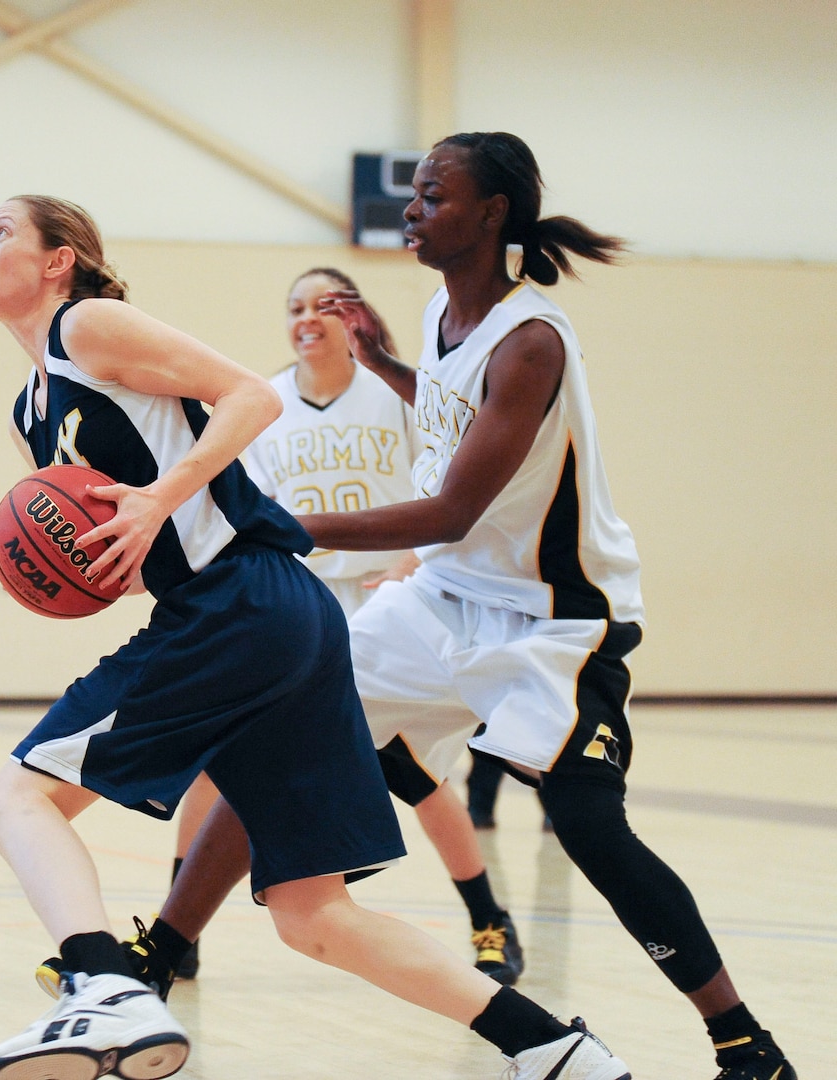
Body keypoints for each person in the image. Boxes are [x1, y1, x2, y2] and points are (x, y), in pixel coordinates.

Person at [140, 133, 796, 1080]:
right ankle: (156, 956)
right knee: (275, 732)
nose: (412, 209)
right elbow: (456, 411)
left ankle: (744, 1040)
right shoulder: (446, 310)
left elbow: (452, 508)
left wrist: (288, 524)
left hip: (553, 618)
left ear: (492, 214)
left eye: (433, 194)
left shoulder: (533, 339)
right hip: (445, 601)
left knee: (589, 824)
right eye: (412, 194)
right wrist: (393, 366)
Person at [0, 194, 629, 1080]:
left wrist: (164, 496)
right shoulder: (30, 409)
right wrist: (107, 557)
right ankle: (555, 1049)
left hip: (236, 604)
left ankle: (105, 991)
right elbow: (114, 541)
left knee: (17, 800)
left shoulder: (88, 326)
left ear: (58, 260)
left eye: (0, 232)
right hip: (285, 615)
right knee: (312, 915)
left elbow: (247, 394)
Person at [45, 267, 524, 992]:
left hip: (381, 607)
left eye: (324, 307)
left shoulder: (389, 398)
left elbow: (452, 476)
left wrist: (411, 558)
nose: (307, 320)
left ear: (353, 319)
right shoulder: (272, 405)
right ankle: (179, 940)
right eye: (296, 308)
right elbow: (239, 503)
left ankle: (490, 919)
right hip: (292, 602)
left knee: (415, 775)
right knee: (219, 765)